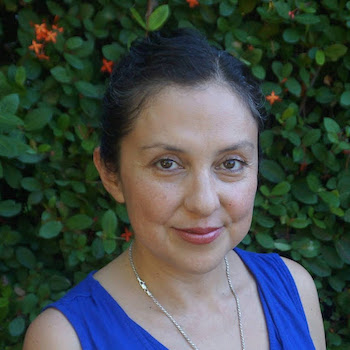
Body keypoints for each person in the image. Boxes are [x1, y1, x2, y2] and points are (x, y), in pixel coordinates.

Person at [23, 29, 326, 350]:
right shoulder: (64, 340)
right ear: (111, 174)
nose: (204, 202)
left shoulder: (294, 289)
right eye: (167, 164)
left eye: (231, 163)